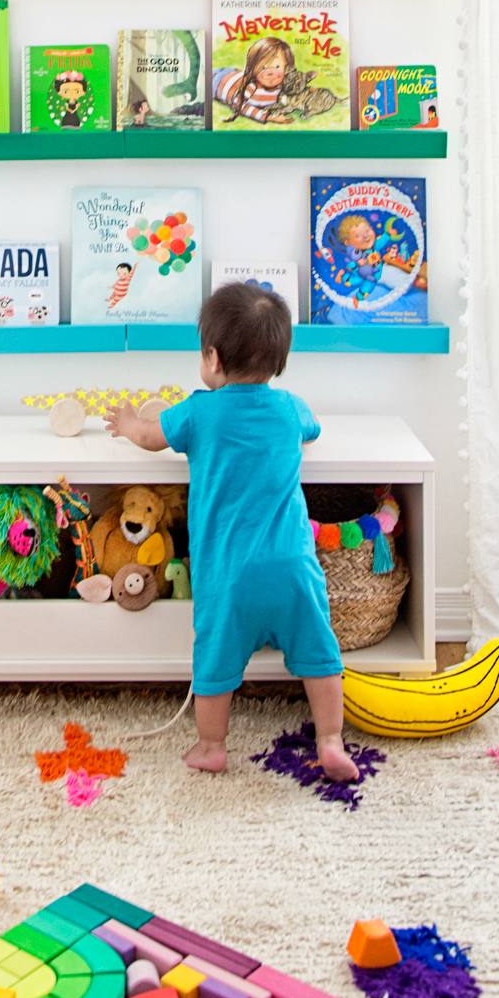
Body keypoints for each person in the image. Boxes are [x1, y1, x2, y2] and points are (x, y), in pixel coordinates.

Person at [104, 282, 358, 779]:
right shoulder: (289, 408)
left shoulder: (198, 412)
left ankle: (211, 745)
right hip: (293, 567)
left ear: (212, 358)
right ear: (279, 362)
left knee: (216, 659)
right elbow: (313, 430)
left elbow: (151, 439)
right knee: (319, 653)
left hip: (227, 574)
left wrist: (131, 421)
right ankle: (330, 740)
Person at [213, 34, 297, 125]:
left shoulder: (285, 86)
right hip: (218, 80)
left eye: (277, 66)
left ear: (288, 67)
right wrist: (269, 117)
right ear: (253, 68)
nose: (270, 72)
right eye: (263, 67)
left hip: (235, 73)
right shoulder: (251, 87)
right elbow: (239, 106)